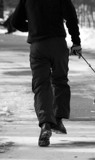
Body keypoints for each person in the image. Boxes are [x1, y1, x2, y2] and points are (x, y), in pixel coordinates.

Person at [11, 0, 82, 147]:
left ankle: (45, 124)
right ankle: (58, 119)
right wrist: (76, 42)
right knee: (60, 81)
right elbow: (71, 17)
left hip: (38, 46)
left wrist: (33, 27)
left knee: (41, 85)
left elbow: (16, 22)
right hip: (57, 44)